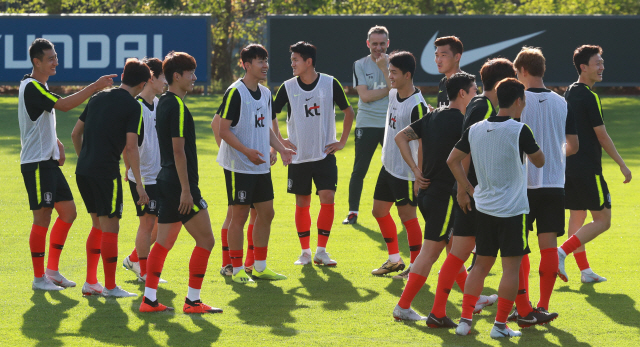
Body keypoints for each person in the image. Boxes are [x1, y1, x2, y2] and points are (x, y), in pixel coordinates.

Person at [449, 78, 546, 338]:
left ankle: (465, 321)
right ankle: (500, 326)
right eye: (523, 100)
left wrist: (468, 188)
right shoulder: (520, 129)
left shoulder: (476, 129)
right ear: (518, 101)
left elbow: (452, 160)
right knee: (511, 269)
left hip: (484, 209)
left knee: (480, 265)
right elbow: (540, 161)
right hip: (513, 210)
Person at [19, 38, 116, 291]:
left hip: (48, 161)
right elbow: (62, 106)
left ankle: (51, 271)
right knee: (42, 218)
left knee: (69, 213)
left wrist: (57, 143)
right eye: (50, 58)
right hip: (36, 164)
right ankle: (39, 279)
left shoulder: (39, 86)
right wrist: (94, 86)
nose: (55, 62)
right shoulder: (32, 86)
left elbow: (38, 122)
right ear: (36, 62)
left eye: (55, 56)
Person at [427, 58, 517, 327]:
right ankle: (519, 311)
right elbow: (464, 149)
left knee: (460, 255)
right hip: (480, 194)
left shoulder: (482, 104)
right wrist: (465, 189)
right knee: (512, 253)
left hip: (479, 192)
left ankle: (440, 312)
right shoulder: (484, 106)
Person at [391, 72, 478, 322]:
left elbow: (401, 137)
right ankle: (403, 306)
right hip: (445, 196)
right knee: (430, 253)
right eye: (474, 91)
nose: (476, 95)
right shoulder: (463, 122)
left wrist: (416, 172)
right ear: (462, 93)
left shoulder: (432, 115)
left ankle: (473, 297)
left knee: (453, 248)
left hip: (427, 194)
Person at [140, 51, 221, 313]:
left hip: (165, 180)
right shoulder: (177, 106)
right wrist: (187, 190)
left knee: (163, 243)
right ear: (177, 76)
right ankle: (192, 301)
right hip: (178, 184)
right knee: (206, 241)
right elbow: (178, 151)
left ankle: (149, 300)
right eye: (191, 74)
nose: (195, 78)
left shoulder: (163, 101)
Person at [506, 47, 576, 325]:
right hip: (554, 184)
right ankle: (543, 306)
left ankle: (522, 306)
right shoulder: (562, 102)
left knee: (519, 248)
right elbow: (574, 145)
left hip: (522, 184)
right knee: (549, 247)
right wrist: (554, 155)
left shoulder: (517, 102)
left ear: (522, 71)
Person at [71, 58, 150, 297]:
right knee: (111, 228)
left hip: (83, 171)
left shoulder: (97, 97)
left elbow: (75, 133)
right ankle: (110, 286)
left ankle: (90, 282)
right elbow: (131, 147)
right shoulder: (133, 106)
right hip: (106, 173)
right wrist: (139, 184)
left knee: (97, 225)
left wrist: (86, 158)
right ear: (144, 83)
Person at [216, 44, 295, 284]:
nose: (265, 65)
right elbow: (222, 129)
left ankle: (259, 266)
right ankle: (237, 269)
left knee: (267, 213)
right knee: (238, 216)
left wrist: (281, 149)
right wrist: (246, 151)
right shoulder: (234, 92)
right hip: (238, 165)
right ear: (246, 64)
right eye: (260, 61)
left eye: (266, 60)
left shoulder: (266, 93)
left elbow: (266, 129)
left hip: (259, 165)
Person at [273, 41, 355, 266]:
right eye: (292, 60)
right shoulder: (288, 86)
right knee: (303, 202)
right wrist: (280, 142)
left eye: (295, 60)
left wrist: (342, 141)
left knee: (328, 198)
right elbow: (271, 112)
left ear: (308, 62)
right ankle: (305, 253)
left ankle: (321, 251)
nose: (292, 64)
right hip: (298, 156)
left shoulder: (330, 83)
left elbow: (349, 111)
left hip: (325, 155)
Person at [558, 45, 632, 284]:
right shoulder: (589, 96)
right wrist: (622, 164)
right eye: (597, 63)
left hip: (569, 166)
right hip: (588, 169)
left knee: (577, 218)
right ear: (583, 67)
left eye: (602, 62)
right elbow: (602, 135)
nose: (602, 67)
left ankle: (585, 271)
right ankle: (561, 252)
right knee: (603, 221)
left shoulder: (569, 91)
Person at [367, 51, 424, 278]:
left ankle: (417, 267)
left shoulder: (417, 106)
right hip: (388, 167)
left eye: (394, 72)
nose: (389, 76)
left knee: (408, 218)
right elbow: (389, 77)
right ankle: (394, 260)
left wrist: (418, 174)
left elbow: (423, 144)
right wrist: (384, 65)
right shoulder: (393, 94)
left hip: (406, 174)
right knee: (379, 211)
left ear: (407, 75)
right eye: (389, 71)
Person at [120, 57, 168, 284]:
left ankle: (132, 259)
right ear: (151, 78)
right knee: (147, 224)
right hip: (142, 177)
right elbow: (127, 146)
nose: (166, 82)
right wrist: (134, 176)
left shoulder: (159, 105)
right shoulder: (135, 107)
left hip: (159, 175)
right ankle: (144, 270)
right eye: (163, 77)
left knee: (159, 226)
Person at [343, 25, 392, 225]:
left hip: (391, 123)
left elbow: (401, 90)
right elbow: (364, 96)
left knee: (397, 167)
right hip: (367, 123)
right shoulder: (360, 64)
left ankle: (406, 209)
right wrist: (390, 88)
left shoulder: (396, 62)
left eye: (382, 44)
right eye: (374, 44)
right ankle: (353, 211)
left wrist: (384, 69)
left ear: (388, 43)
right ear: (368, 44)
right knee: (359, 169)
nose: (378, 48)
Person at [435, 36, 464, 108]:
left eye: (443, 55)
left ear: (457, 57)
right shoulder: (443, 82)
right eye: (437, 55)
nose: (438, 60)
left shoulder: (467, 84)